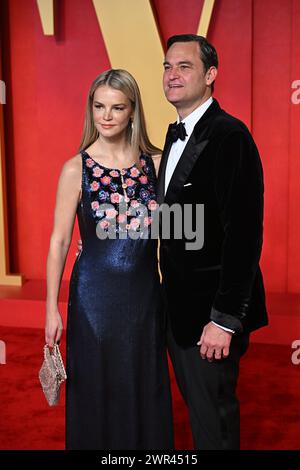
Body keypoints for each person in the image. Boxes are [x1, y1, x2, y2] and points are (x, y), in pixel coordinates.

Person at [45, 69, 173, 450]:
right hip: (94, 300)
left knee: (144, 382)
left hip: (146, 296)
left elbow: (178, 227)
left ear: (132, 111)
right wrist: (51, 309)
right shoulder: (76, 168)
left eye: (117, 107)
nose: (106, 116)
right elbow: (60, 241)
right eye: (99, 106)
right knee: (98, 385)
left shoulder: (157, 163)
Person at [157, 34, 268, 450]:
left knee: (213, 428)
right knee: (201, 419)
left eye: (184, 66)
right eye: (168, 66)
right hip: (180, 310)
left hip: (211, 317)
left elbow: (243, 236)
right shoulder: (178, 132)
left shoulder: (229, 135)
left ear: (211, 75)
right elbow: (176, 219)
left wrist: (223, 320)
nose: (173, 75)